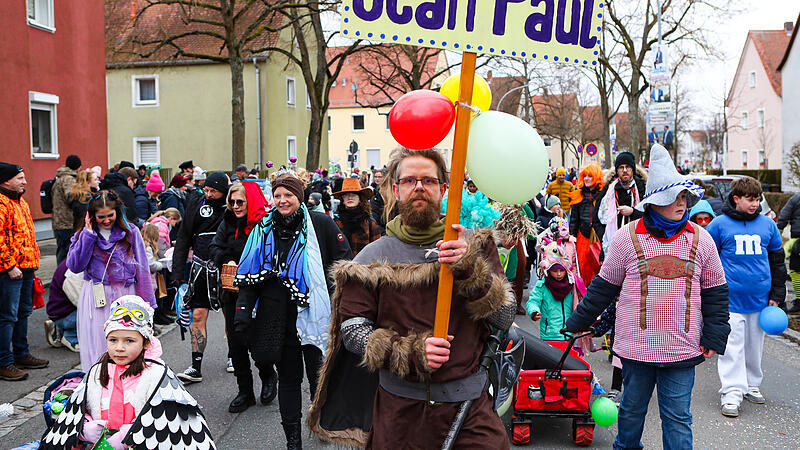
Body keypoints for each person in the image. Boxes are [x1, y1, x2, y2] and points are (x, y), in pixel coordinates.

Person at [308, 148, 515, 449]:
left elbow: (505, 318)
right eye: (409, 181)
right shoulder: (372, 258)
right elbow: (352, 332)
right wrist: (408, 352)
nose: (419, 187)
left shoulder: (475, 246)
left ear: (445, 189)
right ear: (396, 189)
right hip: (400, 416)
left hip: (470, 412)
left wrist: (472, 270)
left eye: (429, 181)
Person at [563, 144, 730, 450]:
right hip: (636, 348)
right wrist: (577, 321)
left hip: (682, 347)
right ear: (655, 202)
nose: (681, 204)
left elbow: (716, 292)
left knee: (678, 418)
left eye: (683, 198)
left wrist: (715, 335)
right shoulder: (627, 238)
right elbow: (604, 286)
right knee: (630, 413)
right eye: (674, 198)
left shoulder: (701, 239)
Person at [233, 172, 352, 448]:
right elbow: (248, 275)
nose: (283, 200)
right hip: (278, 318)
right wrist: (242, 314)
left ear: (299, 196)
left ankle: (319, 424)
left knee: (317, 377)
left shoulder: (320, 224)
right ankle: (293, 441)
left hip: (315, 315)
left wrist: (340, 304)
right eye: (277, 195)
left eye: (288, 195)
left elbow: (344, 265)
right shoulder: (263, 228)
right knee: (288, 379)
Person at [39, 295, 215, 450]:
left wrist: (125, 437)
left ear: (146, 343)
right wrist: (84, 428)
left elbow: (165, 420)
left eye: (129, 340)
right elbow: (77, 409)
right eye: (113, 340)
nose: (119, 348)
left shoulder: (157, 374)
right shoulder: (96, 371)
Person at [706, 176, 786, 418]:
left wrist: (777, 294)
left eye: (758, 199)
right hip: (730, 300)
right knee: (732, 347)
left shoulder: (768, 225)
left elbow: (777, 262)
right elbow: (707, 259)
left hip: (760, 300)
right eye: (750, 199)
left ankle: (752, 384)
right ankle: (731, 392)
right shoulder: (719, 225)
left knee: (754, 346)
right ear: (736, 198)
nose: (755, 203)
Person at [67, 190, 155, 371]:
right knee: (99, 340)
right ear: (91, 216)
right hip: (97, 295)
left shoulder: (131, 232)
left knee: (126, 340)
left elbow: (142, 269)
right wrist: (88, 235)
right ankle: (98, 379)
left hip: (125, 294)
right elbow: (75, 266)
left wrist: (147, 304)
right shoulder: (83, 235)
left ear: (118, 212)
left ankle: (126, 382)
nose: (106, 220)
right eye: (101, 217)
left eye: (110, 215)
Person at [210, 181, 278, 413]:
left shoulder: (265, 223)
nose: (236, 206)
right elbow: (215, 247)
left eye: (241, 201)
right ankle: (245, 391)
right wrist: (227, 259)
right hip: (232, 291)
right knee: (236, 343)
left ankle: (268, 375)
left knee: (255, 339)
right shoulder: (227, 221)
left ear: (251, 201)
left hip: (259, 292)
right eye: (232, 202)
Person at [171, 172, 230, 383]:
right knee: (197, 316)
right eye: (206, 190)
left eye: (214, 191)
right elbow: (184, 237)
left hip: (226, 268)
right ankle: (195, 366)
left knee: (229, 314)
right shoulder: (196, 204)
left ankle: (233, 355)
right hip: (200, 269)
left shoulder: (232, 206)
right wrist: (178, 273)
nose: (209, 194)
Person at [0, 162, 48, 381]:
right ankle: (4, 362)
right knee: (7, 316)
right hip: (10, 271)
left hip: (26, 267)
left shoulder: (21, 203)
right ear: (6, 180)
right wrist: (9, 266)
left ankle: (21, 353)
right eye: (20, 178)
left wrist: (32, 263)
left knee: (23, 313)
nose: (25, 181)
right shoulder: (2, 204)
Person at [526, 239, 578, 341]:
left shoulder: (572, 284)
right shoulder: (542, 285)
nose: (559, 274)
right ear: (548, 270)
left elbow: (580, 302)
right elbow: (533, 301)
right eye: (555, 271)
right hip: (550, 335)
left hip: (570, 334)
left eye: (561, 270)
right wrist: (534, 311)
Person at [598, 151, 647, 255]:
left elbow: (650, 214)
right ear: (617, 170)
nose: (625, 170)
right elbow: (598, 216)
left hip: (638, 243)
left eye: (628, 167)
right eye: (621, 167)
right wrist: (604, 235)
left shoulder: (642, 187)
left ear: (633, 169)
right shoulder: (609, 189)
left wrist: (633, 212)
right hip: (613, 245)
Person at [494, 205, 537, 314]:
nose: (516, 242)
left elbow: (531, 227)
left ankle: (515, 304)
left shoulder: (523, 205)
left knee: (518, 269)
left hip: (510, 243)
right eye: (514, 238)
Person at [569, 162, 605, 285]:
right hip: (582, 235)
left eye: (590, 176)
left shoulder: (603, 194)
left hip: (599, 235)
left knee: (599, 264)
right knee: (582, 265)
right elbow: (574, 218)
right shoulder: (578, 194)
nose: (587, 179)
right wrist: (571, 235)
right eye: (585, 176)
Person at [333, 178, 382, 256]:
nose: (350, 198)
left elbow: (378, 250)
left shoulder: (369, 222)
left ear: (360, 198)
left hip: (363, 265)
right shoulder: (336, 222)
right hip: (341, 266)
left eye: (353, 194)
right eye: (346, 195)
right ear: (342, 199)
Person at [44, 260, 81, 353]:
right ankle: (71, 337)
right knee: (94, 313)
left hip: (63, 311)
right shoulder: (73, 270)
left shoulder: (75, 262)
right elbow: (80, 301)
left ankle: (59, 330)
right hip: (63, 313)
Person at [52, 155, 82, 263]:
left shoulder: (60, 178)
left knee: (62, 250)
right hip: (67, 222)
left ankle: (60, 275)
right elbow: (72, 197)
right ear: (78, 167)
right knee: (66, 252)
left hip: (60, 221)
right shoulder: (69, 179)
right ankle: (62, 276)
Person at [778, 193, 800, 313]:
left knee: (796, 271)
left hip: (798, 240)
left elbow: (784, 216)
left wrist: (778, 233)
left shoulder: (796, 199)